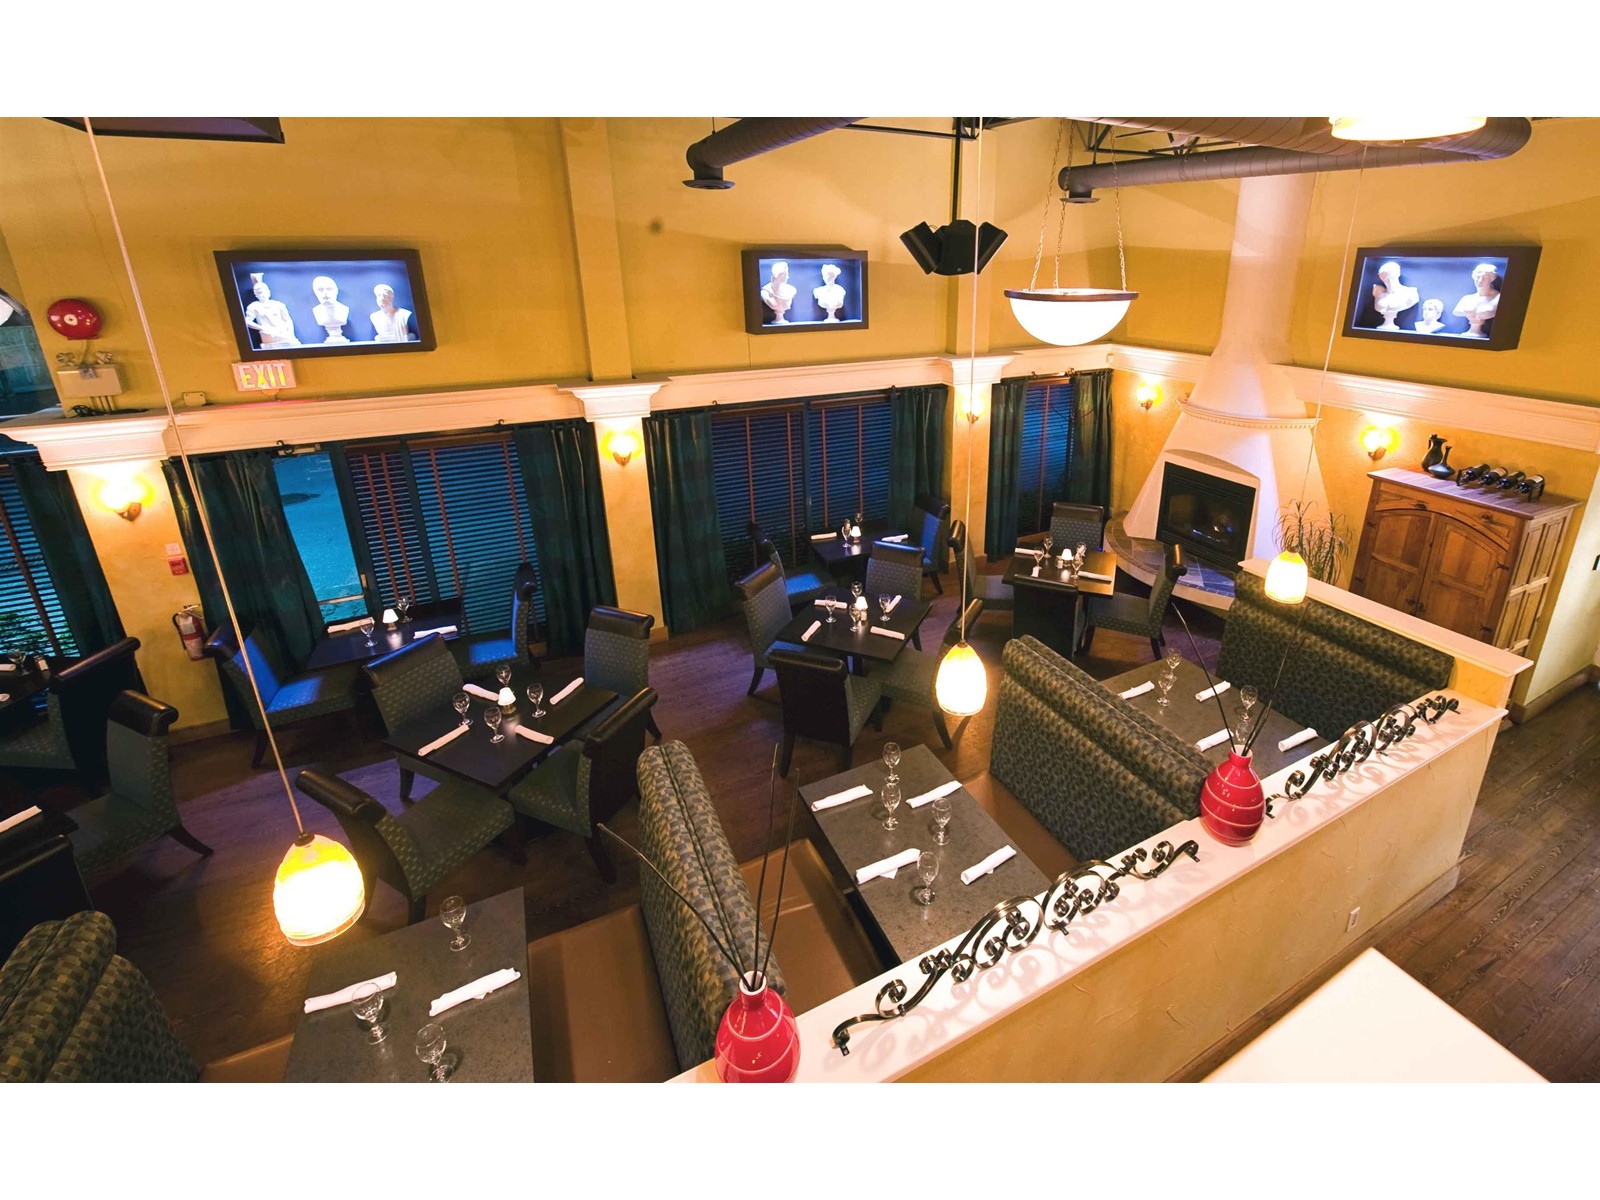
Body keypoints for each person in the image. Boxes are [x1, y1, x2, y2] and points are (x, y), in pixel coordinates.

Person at [242, 273, 299, 348]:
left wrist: (291, 333)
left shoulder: (278, 304)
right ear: (256, 294)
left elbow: (287, 320)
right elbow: (247, 322)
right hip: (268, 333)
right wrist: (263, 328)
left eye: (264, 291)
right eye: (259, 293)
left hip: (281, 331)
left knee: (291, 341)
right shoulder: (254, 306)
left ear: (269, 292)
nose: (263, 294)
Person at [1452, 262, 1501, 337]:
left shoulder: (1498, 298)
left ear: (1491, 279)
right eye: (1478, 277)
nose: (1480, 280)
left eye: (1484, 278)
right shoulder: (1467, 298)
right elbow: (1456, 312)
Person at [1371, 261, 1418, 331]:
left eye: (1392, 277)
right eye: (1385, 278)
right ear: (1380, 277)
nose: (1389, 281)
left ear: (1398, 274)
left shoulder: (1410, 293)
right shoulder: (1378, 292)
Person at [311, 276, 350, 344]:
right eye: (320, 290)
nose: (325, 293)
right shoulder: (317, 311)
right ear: (315, 293)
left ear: (336, 291)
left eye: (329, 289)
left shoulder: (344, 309)